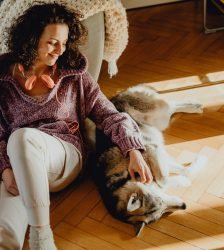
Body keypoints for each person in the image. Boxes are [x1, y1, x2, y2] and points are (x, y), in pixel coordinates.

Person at [0, 2, 153, 250]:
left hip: (63, 157)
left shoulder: (73, 75)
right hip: (18, 164)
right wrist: (6, 170)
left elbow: (109, 114)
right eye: (52, 42)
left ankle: (42, 239)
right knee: (3, 233)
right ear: (31, 39)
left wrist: (132, 150)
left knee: (21, 138)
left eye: (63, 42)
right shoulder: (3, 79)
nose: (60, 49)